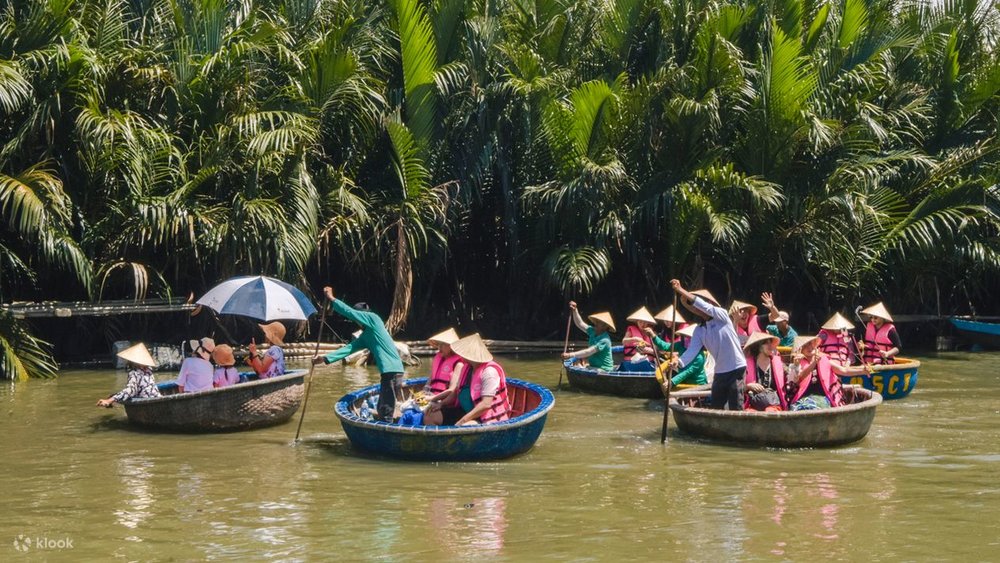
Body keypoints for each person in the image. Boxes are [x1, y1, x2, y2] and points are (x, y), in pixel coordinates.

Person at [313, 286, 405, 421]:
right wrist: (325, 358)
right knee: (383, 408)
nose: (357, 320)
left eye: (358, 317)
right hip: (388, 373)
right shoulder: (366, 335)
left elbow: (349, 312)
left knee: (386, 412)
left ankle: (387, 434)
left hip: (392, 371)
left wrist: (332, 299)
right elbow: (349, 348)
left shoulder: (373, 319)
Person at [670, 280, 746, 410]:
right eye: (693, 307)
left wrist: (680, 290)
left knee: (736, 405)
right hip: (720, 372)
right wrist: (679, 362)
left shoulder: (721, 316)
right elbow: (691, 351)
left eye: (697, 305)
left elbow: (705, 306)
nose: (696, 308)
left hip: (736, 367)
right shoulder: (699, 330)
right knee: (716, 406)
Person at [426, 333, 511, 426]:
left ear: (470, 354)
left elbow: (486, 404)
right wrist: (441, 404)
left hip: (484, 417)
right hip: (465, 411)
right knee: (430, 414)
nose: (459, 354)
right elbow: (455, 393)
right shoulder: (466, 368)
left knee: (463, 427)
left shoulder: (489, 372)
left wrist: (462, 421)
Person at [787, 335, 844, 410]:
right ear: (800, 349)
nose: (810, 347)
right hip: (802, 400)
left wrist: (863, 370)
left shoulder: (824, 359)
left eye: (811, 344)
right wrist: (813, 363)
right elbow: (799, 378)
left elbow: (844, 370)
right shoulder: (796, 364)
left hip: (822, 399)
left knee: (821, 404)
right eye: (805, 345)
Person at [562, 302, 615, 372]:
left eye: (599, 322)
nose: (596, 323)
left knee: (581, 367)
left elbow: (589, 352)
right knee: (578, 364)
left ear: (605, 326)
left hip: (604, 369)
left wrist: (570, 355)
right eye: (596, 321)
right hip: (593, 367)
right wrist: (575, 311)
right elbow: (580, 324)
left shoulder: (605, 340)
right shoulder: (592, 331)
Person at [743, 332, 788, 411]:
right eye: (767, 343)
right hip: (753, 405)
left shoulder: (779, 363)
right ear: (759, 346)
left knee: (770, 411)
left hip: (774, 405)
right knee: (750, 414)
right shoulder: (745, 365)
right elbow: (736, 387)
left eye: (771, 342)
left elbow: (791, 381)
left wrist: (796, 367)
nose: (771, 346)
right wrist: (748, 386)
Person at [662, 324, 708, 388]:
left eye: (689, 338)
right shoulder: (681, 345)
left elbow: (688, 371)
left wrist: (672, 381)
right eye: (685, 337)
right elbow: (666, 346)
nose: (686, 339)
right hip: (685, 381)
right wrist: (653, 336)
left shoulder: (700, 356)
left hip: (698, 384)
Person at [426, 328, 462, 395]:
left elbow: (452, 389)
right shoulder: (438, 358)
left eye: (443, 345)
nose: (439, 347)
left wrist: (433, 399)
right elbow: (431, 377)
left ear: (452, 346)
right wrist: (425, 390)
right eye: (438, 344)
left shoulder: (458, 364)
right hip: (432, 395)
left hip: (445, 399)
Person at [620, 306, 657, 371]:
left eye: (645, 322)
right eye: (640, 322)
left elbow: (657, 351)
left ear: (648, 322)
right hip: (630, 362)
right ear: (636, 322)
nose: (643, 324)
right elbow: (624, 341)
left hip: (648, 363)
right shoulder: (630, 330)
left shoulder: (652, 332)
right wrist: (635, 339)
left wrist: (648, 350)